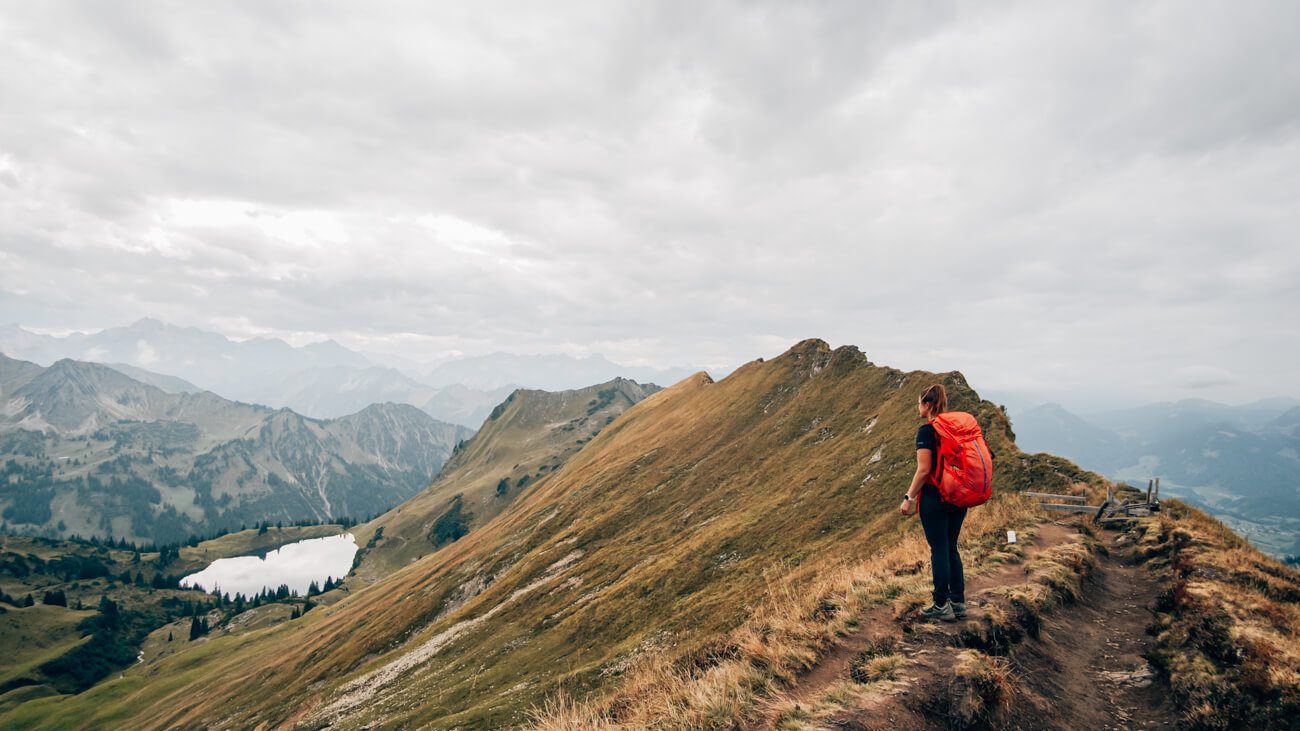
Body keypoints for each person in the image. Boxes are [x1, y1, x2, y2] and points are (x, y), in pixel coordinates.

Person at [898, 383, 966, 622]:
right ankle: (958, 602)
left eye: (919, 403)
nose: (918, 407)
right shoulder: (957, 428)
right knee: (950, 546)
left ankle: (940, 605)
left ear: (927, 405)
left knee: (938, 549)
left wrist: (909, 498)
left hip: (935, 498)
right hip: (958, 496)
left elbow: (924, 470)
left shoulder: (927, 431)